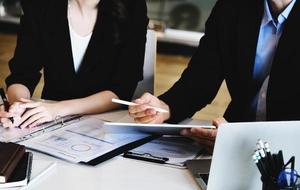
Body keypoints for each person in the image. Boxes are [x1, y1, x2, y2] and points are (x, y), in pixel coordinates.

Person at [129, 0, 300, 152]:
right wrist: (164, 107)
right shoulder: (232, 6)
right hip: (233, 147)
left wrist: (242, 140)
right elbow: (200, 80)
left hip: (291, 155)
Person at [0, 0, 148, 128]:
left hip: (106, 123)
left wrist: (57, 109)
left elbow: (121, 91)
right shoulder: (40, 5)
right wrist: (19, 106)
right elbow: (22, 74)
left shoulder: (132, 6)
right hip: (51, 123)